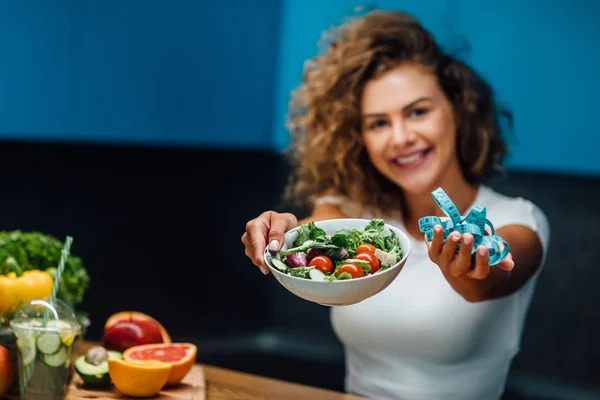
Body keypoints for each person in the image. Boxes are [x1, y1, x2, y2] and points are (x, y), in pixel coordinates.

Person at [241, 9, 549, 400]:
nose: (400, 137)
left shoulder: (520, 220)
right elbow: (316, 231)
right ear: (360, 139)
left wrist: (470, 263)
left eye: (418, 112)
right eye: (378, 123)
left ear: (457, 110)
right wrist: (282, 232)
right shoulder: (354, 215)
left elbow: (488, 280)